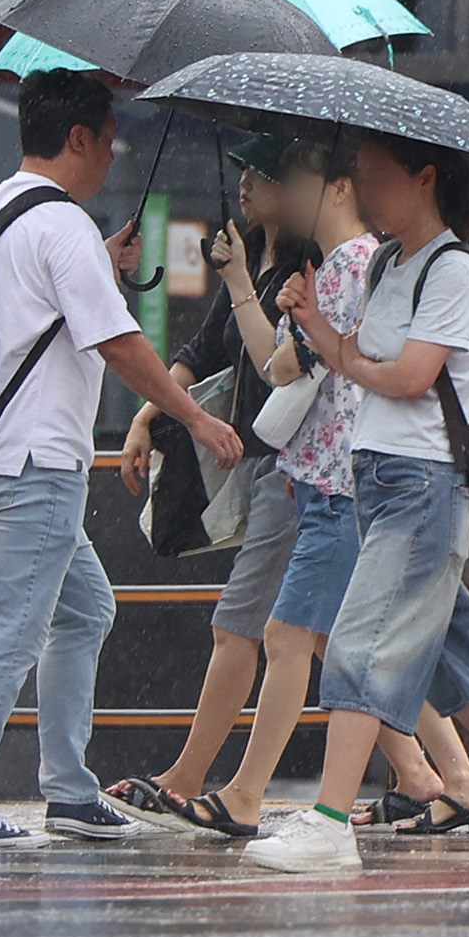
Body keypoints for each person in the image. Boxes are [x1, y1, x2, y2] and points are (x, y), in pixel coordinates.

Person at [242, 133, 469, 875]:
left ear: (426, 180)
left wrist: (347, 356)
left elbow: (412, 376)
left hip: (423, 485)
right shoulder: (387, 262)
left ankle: (327, 821)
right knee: (459, 672)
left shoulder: (453, 271)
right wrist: (317, 327)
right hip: (380, 480)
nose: (368, 192)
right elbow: (357, 362)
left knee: (357, 642)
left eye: (381, 179)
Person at [0, 69, 244, 851]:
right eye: (107, 138)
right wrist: (196, 417)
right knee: (8, 633)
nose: (114, 152)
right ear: (77, 139)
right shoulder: (59, 225)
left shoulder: (2, 206)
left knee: (84, 610)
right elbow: (118, 343)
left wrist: (101, 256)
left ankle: (68, 790)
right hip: (37, 463)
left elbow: (27, 300)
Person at [170, 137, 469, 838]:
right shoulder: (350, 264)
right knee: (350, 646)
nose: (292, 190)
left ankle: (251, 793)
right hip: (332, 482)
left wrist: (291, 316)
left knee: (293, 637)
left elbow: (283, 367)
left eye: (303, 176)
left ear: (336, 189)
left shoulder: (352, 264)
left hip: (341, 484)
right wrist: (253, 293)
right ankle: (448, 778)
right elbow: (277, 364)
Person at [107, 135, 322, 824]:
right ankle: (436, 772)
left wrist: (238, 286)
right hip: (264, 469)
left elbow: (276, 368)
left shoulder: (303, 271)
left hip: (293, 468)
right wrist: (148, 416)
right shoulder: (252, 261)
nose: (245, 186)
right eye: (243, 174)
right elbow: (199, 354)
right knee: (337, 635)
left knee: (240, 625)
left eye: (260, 175)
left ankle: (188, 775)